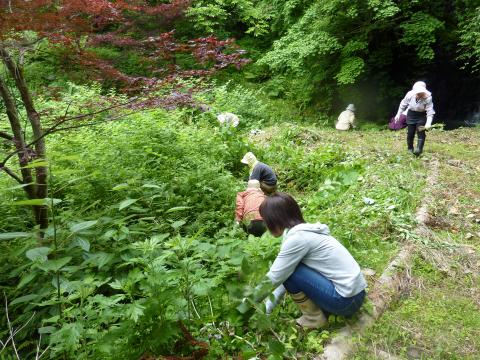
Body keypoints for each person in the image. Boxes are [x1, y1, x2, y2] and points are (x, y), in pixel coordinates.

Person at [246, 193, 367, 329]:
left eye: (266, 220)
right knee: (290, 271)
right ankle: (321, 312)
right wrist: (267, 307)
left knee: (291, 272)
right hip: (357, 294)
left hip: (346, 301)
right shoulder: (304, 232)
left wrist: (244, 307)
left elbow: (275, 277)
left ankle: (314, 319)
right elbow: (283, 276)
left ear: (274, 220)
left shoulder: (298, 239)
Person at [394, 81, 435, 156]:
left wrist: (428, 123)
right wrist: (398, 114)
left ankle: (419, 149)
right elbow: (403, 104)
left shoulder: (428, 98)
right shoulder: (409, 94)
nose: (419, 94)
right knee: (410, 133)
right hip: (411, 114)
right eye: (418, 93)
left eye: (421, 92)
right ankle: (410, 149)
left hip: (421, 115)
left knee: (420, 131)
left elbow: (430, 111)